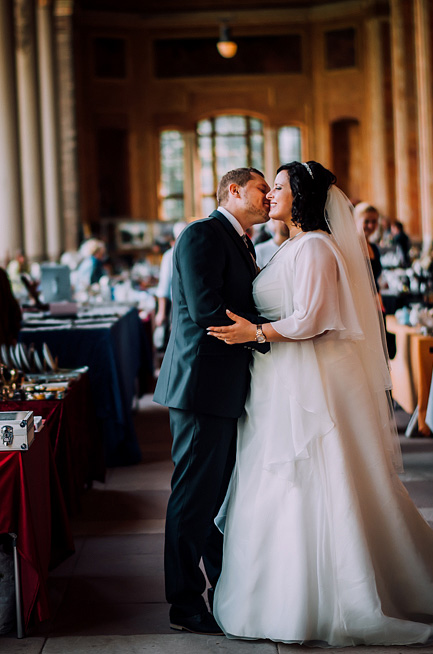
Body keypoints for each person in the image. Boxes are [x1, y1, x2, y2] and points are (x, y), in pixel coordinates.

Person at [206, 161, 433, 646]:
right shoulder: (287, 247)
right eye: (268, 188)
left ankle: (328, 600)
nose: (270, 194)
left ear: (302, 198)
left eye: (280, 188)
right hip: (277, 384)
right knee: (279, 481)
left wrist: (257, 332)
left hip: (303, 382)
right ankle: (276, 592)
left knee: (316, 478)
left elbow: (316, 317)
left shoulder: (315, 247)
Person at [152, 167, 271, 636]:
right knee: (193, 499)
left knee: (215, 499)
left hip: (221, 388)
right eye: (262, 189)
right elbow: (205, 310)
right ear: (235, 190)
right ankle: (183, 602)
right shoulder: (202, 234)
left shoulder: (243, 241)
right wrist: (267, 337)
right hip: (200, 386)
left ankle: (222, 587)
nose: (267, 197)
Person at [153, 222, 187, 351]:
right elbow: (163, 289)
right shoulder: (170, 255)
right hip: (180, 307)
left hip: (179, 307)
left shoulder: (170, 255)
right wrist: (161, 313)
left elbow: (163, 288)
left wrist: (161, 313)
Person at [355, 202, 383, 285]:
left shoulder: (374, 248)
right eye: (366, 221)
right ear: (355, 221)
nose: (370, 226)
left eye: (374, 221)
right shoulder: (352, 248)